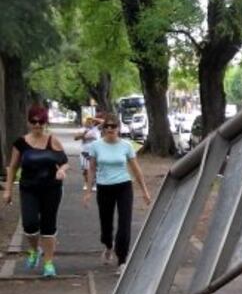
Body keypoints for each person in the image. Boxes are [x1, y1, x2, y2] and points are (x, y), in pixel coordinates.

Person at [2, 105, 69, 277]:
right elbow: (12, 167)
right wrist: (8, 190)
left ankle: (48, 263)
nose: (37, 125)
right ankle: (34, 249)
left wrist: (62, 171)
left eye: (41, 122)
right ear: (29, 122)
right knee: (30, 224)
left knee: (48, 225)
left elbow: (64, 161)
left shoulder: (52, 141)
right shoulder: (21, 143)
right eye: (34, 121)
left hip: (51, 189)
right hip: (29, 189)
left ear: (45, 122)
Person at [82, 113, 152, 271]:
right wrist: (88, 191)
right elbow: (91, 168)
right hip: (104, 187)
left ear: (119, 128)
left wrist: (144, 191)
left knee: (124, 224)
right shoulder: (96, 146)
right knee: (106, 225)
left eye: (113, 126)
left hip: (123, 186)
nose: (110, 129)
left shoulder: (126, 146)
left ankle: (122, 259)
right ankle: (108, 245)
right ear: (103, 129)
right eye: (106, 126)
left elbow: (136, 169)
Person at [73, 116, 101, 191]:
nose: (90, 123)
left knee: (95, 168)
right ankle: (86, 183)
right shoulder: (82, 129)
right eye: (88, 121)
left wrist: (95, 118)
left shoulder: (96, 129)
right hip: (84, 152)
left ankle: (94, 184)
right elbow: (75, 138)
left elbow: (105, 122)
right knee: (85, 169)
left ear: (94, 122)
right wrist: (83, 134)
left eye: (91, 121)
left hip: (95, 152)